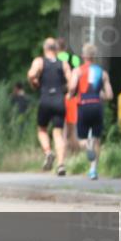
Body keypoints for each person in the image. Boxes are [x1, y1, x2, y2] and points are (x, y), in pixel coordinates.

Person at [68, 43, 114, 180]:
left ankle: (87, 148)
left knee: (81, 139)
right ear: (94, 56)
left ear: (83, 55)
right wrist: (100, 95)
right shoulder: (103, 72)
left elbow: (71, 87)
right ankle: (93, 170)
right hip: (97, 106)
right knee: (96, 139)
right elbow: (110, 95)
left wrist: (71, 95)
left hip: (83, 105)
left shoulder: (78, 71)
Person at [27, 38, 72, 175]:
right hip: (59, 100)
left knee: (42, 129)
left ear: (45, 49)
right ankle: (61, 165)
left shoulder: (39, 61)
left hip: (45, 99)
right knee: (58, 133)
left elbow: (31, 74)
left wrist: (33, 82)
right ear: (56, 50)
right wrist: (68, 93)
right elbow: (71, 82)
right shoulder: (63, 63)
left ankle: (48, 152)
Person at [57, 38, 82, 154]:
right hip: (73, 97)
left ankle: (62, 155)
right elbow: (79, 75)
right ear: (65, 47)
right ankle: (75, 155)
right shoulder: (75, 58)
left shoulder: (54, 60)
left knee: (60, 129)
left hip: (58, 97)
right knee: (72, 128)